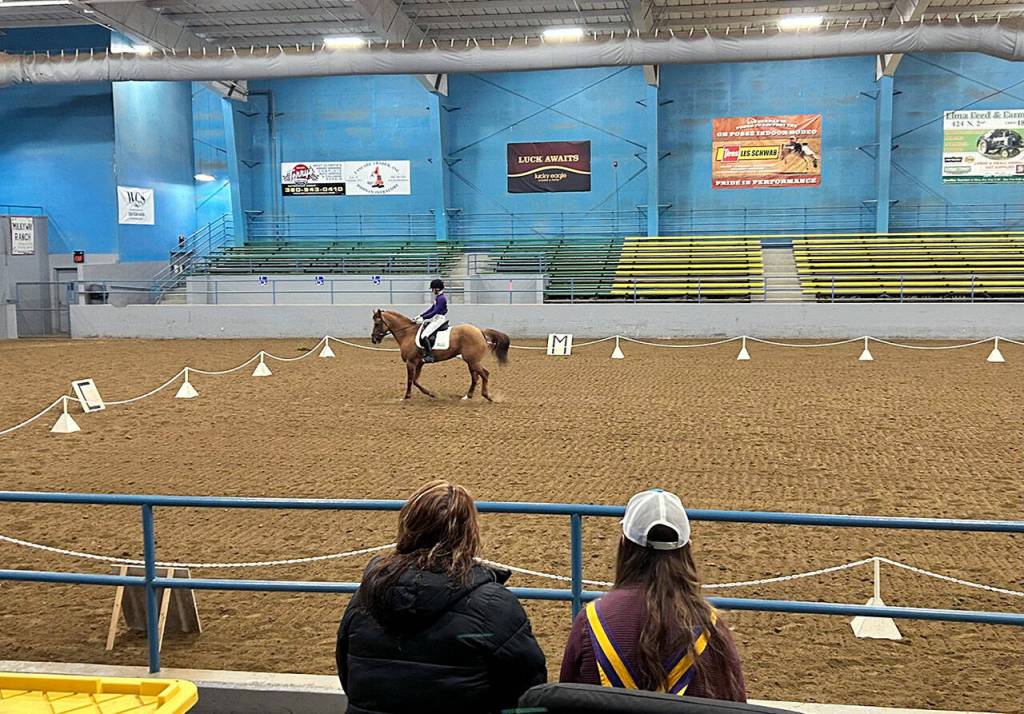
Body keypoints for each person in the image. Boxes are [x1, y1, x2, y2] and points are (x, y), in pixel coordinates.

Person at [336, 480, 547, 714]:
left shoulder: (365, 597)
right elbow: (527, 689)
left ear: (407, 525)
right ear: (469, 533)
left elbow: (348, 673)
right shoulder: (493, 607)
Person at [559, 489, 746, 701]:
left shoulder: (590, 623)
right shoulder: (712, 630)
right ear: (687, 549)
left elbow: (566, 698)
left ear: (624, 545)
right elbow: (736, 702)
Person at [415, 278, 448, 363]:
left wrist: (424, 318)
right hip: (436, 318)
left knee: (424, 335)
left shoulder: (441, 298)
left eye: (433, 289)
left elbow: (435, 311)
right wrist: (421, 315)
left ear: (437, 288)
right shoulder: (438, 297)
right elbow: (431, 309)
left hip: (439, 319)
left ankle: (430, 355)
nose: (432, 291)